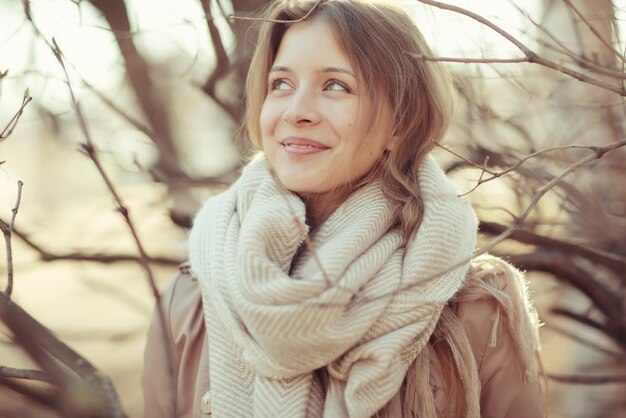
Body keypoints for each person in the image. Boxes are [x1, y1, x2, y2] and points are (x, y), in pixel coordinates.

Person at [142, 0, 544, 417]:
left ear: (401, 120)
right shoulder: (188, 301)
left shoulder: (476, 307)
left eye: (336, 85)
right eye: (281, 84)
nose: (296, 112)